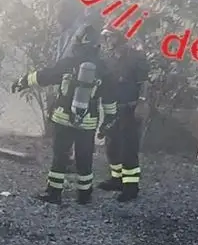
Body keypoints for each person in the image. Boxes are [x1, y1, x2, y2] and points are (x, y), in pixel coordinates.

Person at [12, 24, 118, 205]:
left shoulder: (69, 62)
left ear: (79, 41)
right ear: (96, 45)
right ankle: (84, 195)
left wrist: (23, 81)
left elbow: (46, 75)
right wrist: (108, 120)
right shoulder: (103, 68)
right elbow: (109, 97)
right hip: (88, 121)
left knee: (60, 156)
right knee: (84, 157)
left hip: (63, 118)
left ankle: (54, 193)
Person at [97, 28, 150, 201]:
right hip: (113, 108)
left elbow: (144, 83)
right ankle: (116, 179)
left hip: (130, 108)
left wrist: (142, 103)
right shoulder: (109, 58)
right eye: (106, 36)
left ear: (120, 37)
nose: (107, 39)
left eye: (110, 36)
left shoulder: (136, 57)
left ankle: (131, 187)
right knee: (112, 145)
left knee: (129, 148)